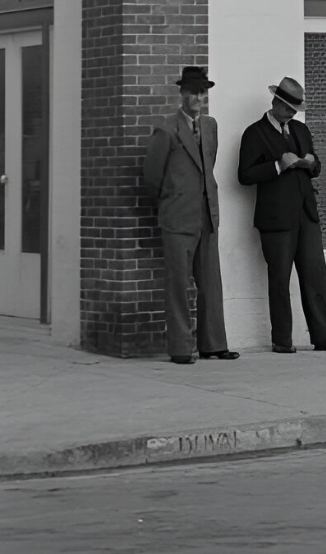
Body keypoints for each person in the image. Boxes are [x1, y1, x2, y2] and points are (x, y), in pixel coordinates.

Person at [237, 76, 326, 354]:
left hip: (305, 213)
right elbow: (244, 175)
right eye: (288, 108)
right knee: (279, 279)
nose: (291, 114)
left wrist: (312, 164)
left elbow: (316, 165)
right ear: (275, 103)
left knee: (316, 277)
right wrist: (277, 165)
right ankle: (282, 341)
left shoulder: (300, 129)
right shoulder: (255, 133)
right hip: (276, 218)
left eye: (295, 110)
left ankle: (324, 337)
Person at [143, 67, 240, 364]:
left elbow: (206, 165)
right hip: (178, 218)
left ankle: (213, 344)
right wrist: (172, 200)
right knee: (178, 283)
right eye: (194, 92)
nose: (199, 98)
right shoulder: (167, 129)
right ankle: (182, 347)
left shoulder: (210, 126)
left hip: (207, 215)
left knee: (211, 282)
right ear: (182, 94)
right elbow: (152, 177)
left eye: (203, 92)